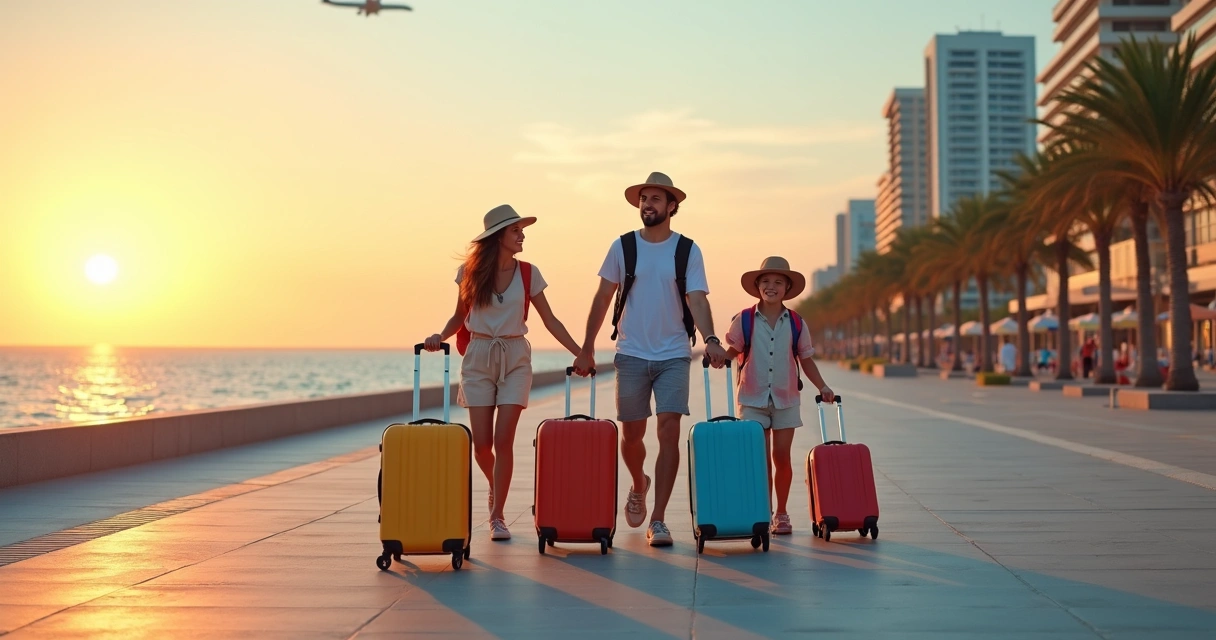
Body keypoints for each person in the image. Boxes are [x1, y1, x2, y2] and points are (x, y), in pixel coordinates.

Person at [572, 172, 727, 547]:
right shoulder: (623, 247)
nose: (648, 204)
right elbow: (602, 297)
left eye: (656, 199)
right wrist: (587, 347)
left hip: (674, 353)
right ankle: (639, 482)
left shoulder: (687, 250)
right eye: (644, 199)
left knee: (668, 430)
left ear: (672, 206)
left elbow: (697, 299)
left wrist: (710, 338)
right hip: (630, 353)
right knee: (631, 436)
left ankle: (658, 519)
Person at [425, 205, 582, 541]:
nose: (522, 235)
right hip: (479, 356)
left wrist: (580, 352)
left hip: (515, 358)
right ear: (498, 237)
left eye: (521, 230)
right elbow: (459, 316)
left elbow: (550, 320)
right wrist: (440, 335)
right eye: (516, 230)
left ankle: (497, 515)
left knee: (503, 441)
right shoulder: (469, 273)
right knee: (482, 446)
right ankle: (495, 486)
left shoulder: (528, 273)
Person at [723, 257, 833, 536]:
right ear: (757, 286)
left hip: (785, 399)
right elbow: (732, 351)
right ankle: (764, 512)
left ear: (787, 288)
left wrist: (822, 386)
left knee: (781, 458)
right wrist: (718, 357)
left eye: (778, 282)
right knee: (759, 461)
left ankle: (781, 513)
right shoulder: (744, 319)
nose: (771, 287)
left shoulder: (796, 322)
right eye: (766, 281)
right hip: (752, 399)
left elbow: (806, 358)